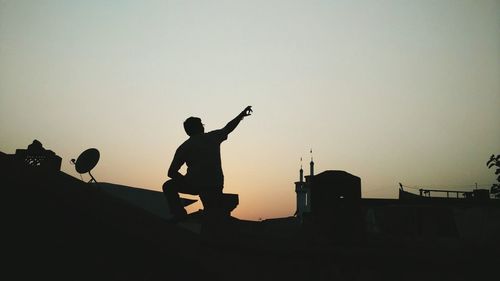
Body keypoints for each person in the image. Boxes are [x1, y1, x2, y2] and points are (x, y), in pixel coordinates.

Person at [162, 106, 253, 222]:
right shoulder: (212, 137)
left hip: (196, 184)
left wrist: (186, 180)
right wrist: (241, 115)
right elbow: (229, 127)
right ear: (199, 127)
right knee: (212, 213)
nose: (203, 126)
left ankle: (179, 214)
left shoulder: (185, 147)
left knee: (168, 186)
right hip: (215, 184)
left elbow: (171, 172)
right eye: (202, 124)